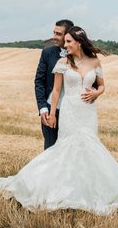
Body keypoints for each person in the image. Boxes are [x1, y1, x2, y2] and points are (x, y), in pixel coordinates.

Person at [0, 26, 118, 215]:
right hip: (69, 111)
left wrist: (96, 92)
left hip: (88, 111)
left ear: (79, 42)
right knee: (66, 148)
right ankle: (60, 189)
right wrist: (52, 114)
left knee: (90, 148)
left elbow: (102, 86)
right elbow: (56, 92)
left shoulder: (94, 62)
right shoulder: (63, 63)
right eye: (65, 41)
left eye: (69, 41)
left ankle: (89, 190)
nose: (65, 44)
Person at [34, 19, 74, 150]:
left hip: (73, 112)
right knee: (50, 150)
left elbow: (93, 84)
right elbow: (39, 81)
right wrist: (43, 108)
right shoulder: (47, 53)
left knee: (71, 150)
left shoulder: (81, 57)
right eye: (54, 33)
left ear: (68, 35)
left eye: (58, 34)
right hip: (51, 110)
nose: (54, 37)